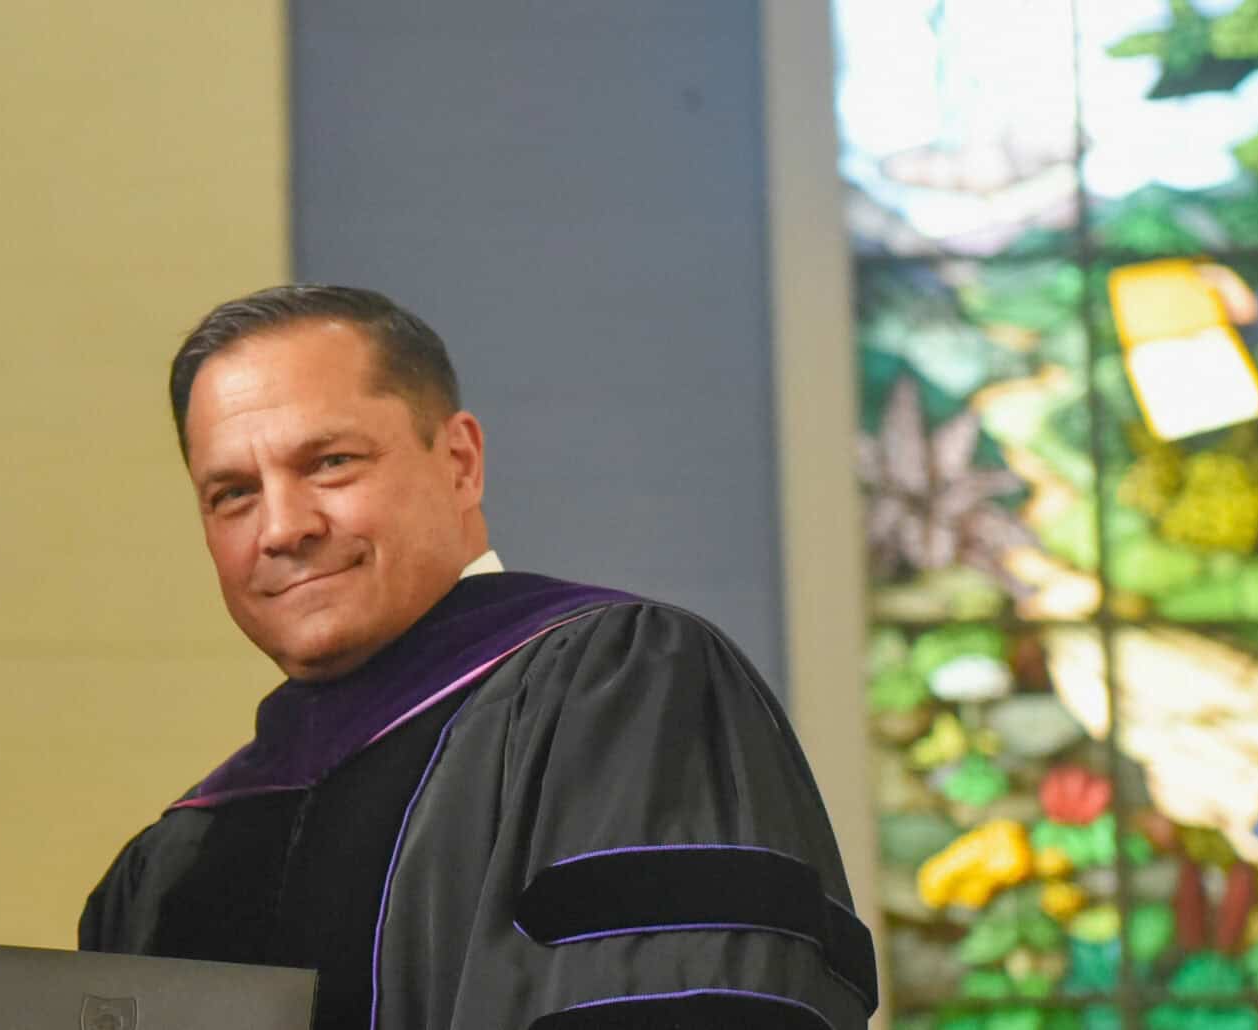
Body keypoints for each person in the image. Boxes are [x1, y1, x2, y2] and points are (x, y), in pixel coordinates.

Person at [79, 285, 875, 1029]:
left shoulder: (620, 692)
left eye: (329, 463)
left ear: (459, 462)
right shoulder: (170, 860)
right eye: (232, 493)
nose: (282, 528)